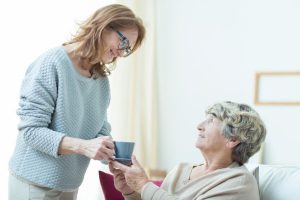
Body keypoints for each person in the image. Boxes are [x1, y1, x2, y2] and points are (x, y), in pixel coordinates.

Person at [8, 4, 145, 200]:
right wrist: (83, 146)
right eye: (123, 41)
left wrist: (116, 160)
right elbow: (31, 131)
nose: (122, 52)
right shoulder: (51, 63)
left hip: (70, 184)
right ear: (104, 26)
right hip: (34, 183)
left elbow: (99, 130)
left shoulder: (101, 80)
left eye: (128, 49)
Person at [109, 101, 266, 200]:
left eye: (211, 121)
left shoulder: (239, 182)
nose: (199, 125)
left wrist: (143, 185)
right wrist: (131, 192)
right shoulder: (181, 169)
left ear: (232, 139)